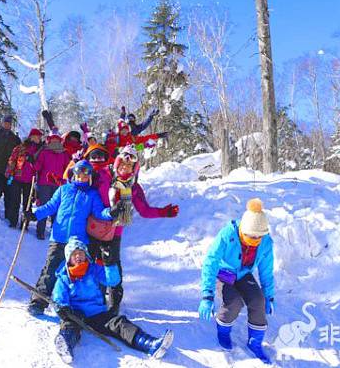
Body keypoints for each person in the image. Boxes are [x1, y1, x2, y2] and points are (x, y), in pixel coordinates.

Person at [52, 236, 174, 363]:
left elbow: (113, 281)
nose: (78, 256)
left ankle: (150, 344)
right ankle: (65, 345)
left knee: (119, 323)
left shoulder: (92, 269)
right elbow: (58, 296)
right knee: (69, 325)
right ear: (68, 258)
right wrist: (62, 308)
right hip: (75, 313)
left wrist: (110, 265)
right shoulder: (64, 276)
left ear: (86, 255)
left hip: (96, 312)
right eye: (74, 254)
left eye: (81, 253)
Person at [89, 145, 179, 315]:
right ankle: (95, 299)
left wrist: (163, 212)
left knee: (113, 266)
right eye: (123, 163)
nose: (125, 167)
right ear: (117, 162)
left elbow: (144, 210)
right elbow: (82, 182)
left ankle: (114, 305)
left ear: (134, 168)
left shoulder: (134, 187)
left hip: (114, 232)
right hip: (95, 227)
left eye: (130, 166)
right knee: (94, 264)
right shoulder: (102, 175)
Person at [24, 160, 121, 316]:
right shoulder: (63, 190)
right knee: (50, 269)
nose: (81, 177)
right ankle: (38, 302)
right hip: (58, 238)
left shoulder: (92, 194)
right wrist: (34, 214)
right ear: (73, 174)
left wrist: (110, 213)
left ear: (89, 177)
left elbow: (98, 212)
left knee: (80, 273)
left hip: (79, 242)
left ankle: (82, 304)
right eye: (78, 173)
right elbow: (50, 206)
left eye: (85, 174)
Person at [198, 198, 275, 363]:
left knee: (258, 300)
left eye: (258, 236)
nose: (254, 240)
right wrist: (207, 295)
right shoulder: (228, 235)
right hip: (222, 274)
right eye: (250, 236)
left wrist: (269, 296)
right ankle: (223, 331)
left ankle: (255, 342)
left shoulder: (266, 242)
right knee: (234, 301)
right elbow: (210, 262)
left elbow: (266, 272)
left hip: (243, 274)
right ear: (242, 230)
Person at [33, 130, 72, 240]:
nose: (54, 140)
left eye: (56, 139)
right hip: (44, 183)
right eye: (52, 138)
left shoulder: (64, 153)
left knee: (58, 208)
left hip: (58, 184)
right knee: (44, 206)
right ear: (49, 140)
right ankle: (40, 230)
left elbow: (67, 168)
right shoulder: (44, 152)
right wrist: (33, 164)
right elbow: (38, 166)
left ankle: (55, 231)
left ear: (59, 140)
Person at [4, 128, 43, 228]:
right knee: (15, 200)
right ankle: (13, 221)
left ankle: (25, 223)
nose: (36, 139)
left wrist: (33, 161)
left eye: (38, 137)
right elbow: (12, 159)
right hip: (18, 177)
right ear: (30, 137)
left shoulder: (41, 150)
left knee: (28, 203)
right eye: (34, 137)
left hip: (31, 180)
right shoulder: (21, 147)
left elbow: (40, 166)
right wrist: (9, 171)